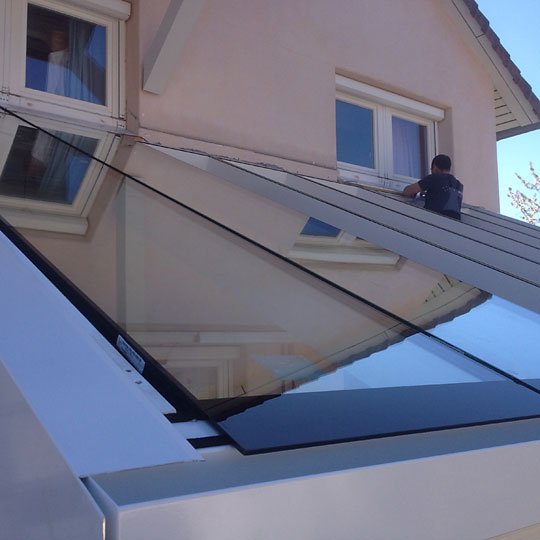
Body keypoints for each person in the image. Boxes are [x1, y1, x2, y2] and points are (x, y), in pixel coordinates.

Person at [402, 154, 463, 220]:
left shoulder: (434, 178)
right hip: (454, 223)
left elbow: (408, 191)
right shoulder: (458, 185)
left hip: (434, 219)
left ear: (434, 167)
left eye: (431, 169)